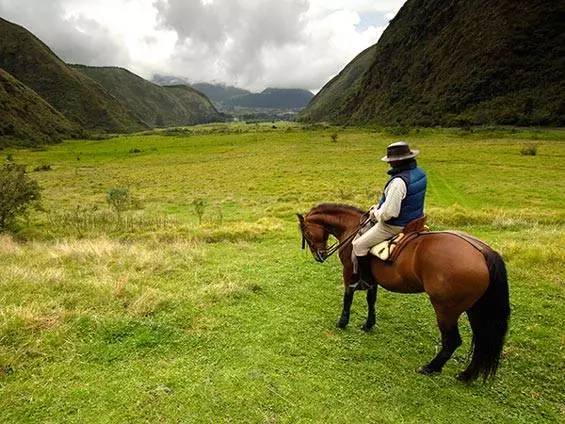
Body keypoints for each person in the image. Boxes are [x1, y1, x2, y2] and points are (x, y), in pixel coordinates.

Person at [351, 141, 427, 287]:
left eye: (390, 161)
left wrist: (375, 212)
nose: (389, 164)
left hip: (395, 226)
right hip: (416, 219)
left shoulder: (398, 182)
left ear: (397, 162)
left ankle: (366, 281)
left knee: (359, 245)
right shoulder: (420, 172)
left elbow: (389, 214)